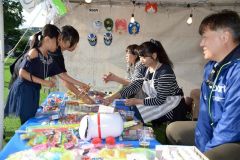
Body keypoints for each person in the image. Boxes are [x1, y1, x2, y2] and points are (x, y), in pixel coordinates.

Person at [166, 10, 240, 160]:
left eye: (205, 38)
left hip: (234, 139)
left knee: (211, 156)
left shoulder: (237, 70)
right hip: (216, 131)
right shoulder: (210, 68)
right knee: (174, 129)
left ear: (225, 37)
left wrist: (205, 153)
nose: (201, 44)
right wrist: (199, 150)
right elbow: (204, 115)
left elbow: (231, 125)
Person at [104, 39, 187, 127]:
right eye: (140, 57)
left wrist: (137, 101)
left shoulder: (165, 72)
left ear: (154, 56)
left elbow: (160, 100)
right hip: (157, 102)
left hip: (172, 106)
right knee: (131, 110)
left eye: (144, 57)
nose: (141, 60)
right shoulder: (145, 68)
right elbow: (134, 86)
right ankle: (133, 130)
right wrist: (112, 97)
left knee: (135, 112)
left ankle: (137, 132)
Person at [4, 24, 63, 124]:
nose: (59, 44)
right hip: (24, 90)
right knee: (27, 122)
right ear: (48, 39)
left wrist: (52, 77)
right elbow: (22, 72)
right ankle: (23, 137)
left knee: (32, 117)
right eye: (57, 41)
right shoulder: (34, 52)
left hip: (34, 90)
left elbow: (50, 69)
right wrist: (43, 82)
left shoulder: (47, 56)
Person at [49, 25, 94, 104]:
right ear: (65, 40)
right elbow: (63, 76)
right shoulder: (55, 52)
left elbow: (65, 80)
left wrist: (82, 96)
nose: (76, 46)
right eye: (75, 42)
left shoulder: (58, 52)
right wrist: (81, 88)